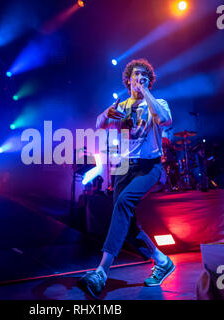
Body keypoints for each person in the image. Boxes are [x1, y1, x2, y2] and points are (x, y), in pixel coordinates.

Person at [77, 58, 174, 298]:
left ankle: (101, 271)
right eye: (135, 75)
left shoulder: (157, 103)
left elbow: (165, 120)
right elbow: (99, 125)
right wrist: (105, 114)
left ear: (148, 82)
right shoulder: (120, 106)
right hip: (123, 168)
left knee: (123, 204)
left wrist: (146, 93)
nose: (139, 79)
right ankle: (162, 261)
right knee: (128, 225)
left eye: (144, 77)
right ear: (128, 79)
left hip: (148, 167)